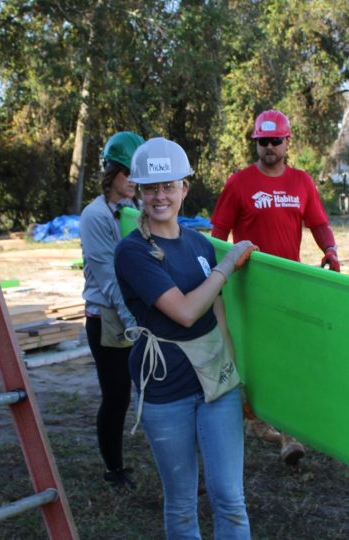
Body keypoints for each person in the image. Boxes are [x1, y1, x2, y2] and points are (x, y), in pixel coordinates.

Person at [114, 137, 255, 538]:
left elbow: (218, 315)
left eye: (169, 186)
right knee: (181, 503)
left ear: (184, 189)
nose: (160, 196)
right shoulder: (134, 252)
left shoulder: (198, 244)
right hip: (164, 392)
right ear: (139, 191)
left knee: (230, 499)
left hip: (216, 389)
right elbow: (186, 311)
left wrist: (234, 378)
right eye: (151, 188)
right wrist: (227, 264)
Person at [210, 109, 340, 465]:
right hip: (248, 289)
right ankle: (253, 417)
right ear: (256, 143)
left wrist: (330, 249)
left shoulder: (301, 182)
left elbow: (319, 223)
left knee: (289, 357)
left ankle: (288, 434)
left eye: (275, 141)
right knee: (254, 358)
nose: (269, 148)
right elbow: (218, 235)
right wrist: (215, 277)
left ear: (287, 142)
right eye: (262, 141)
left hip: (289, 288)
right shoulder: (238, 183)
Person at [80, 131, 143, 490]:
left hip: (132, 314)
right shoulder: (96, 216)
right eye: (129, 174)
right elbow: (108, 278)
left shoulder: (130, 213)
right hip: (106, 317)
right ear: (112, 173)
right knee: (116, 394)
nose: (134, 181)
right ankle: (113, 469)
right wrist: (134, 322)